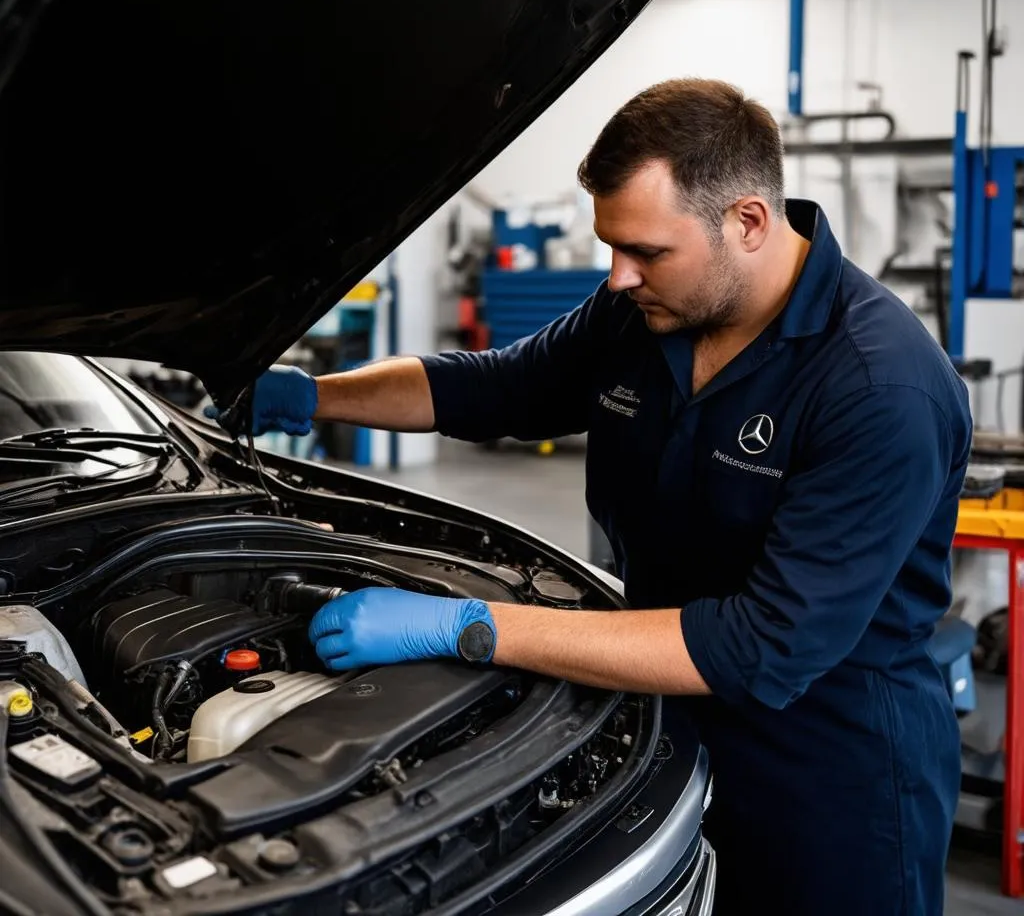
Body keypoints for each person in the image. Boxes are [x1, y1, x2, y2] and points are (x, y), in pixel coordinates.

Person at [206, 78, 972, 915]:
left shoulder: (879, 387)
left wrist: (468, 626)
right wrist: (314, 395)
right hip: (661, 728)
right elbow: (493, 387)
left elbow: (758, 649)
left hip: (830, 784)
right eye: (613, 246)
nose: (618, 277)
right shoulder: (643, 317)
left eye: (646, 252)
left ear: (747, 222)